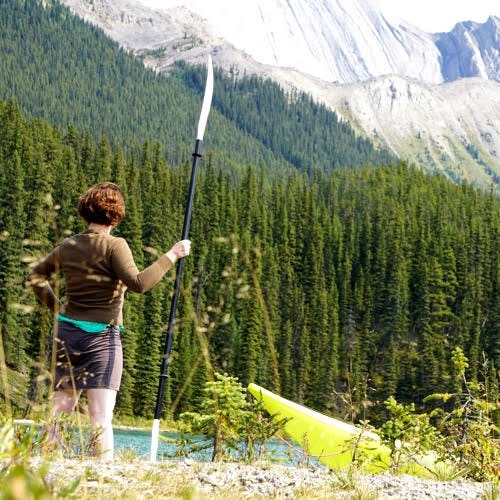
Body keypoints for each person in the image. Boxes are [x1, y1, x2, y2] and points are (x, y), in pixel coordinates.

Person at [27, 182, 191, 460]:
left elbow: (35, 277)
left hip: (67, 334)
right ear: (115, 216)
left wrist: (59, 309)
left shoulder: (69, 246)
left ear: (85, 212)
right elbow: (138, 283)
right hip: (102, 339)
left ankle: (41, 473)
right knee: (100, 416)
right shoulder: (116, 245)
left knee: (59, 412)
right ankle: (101, 479)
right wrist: (172, 255)